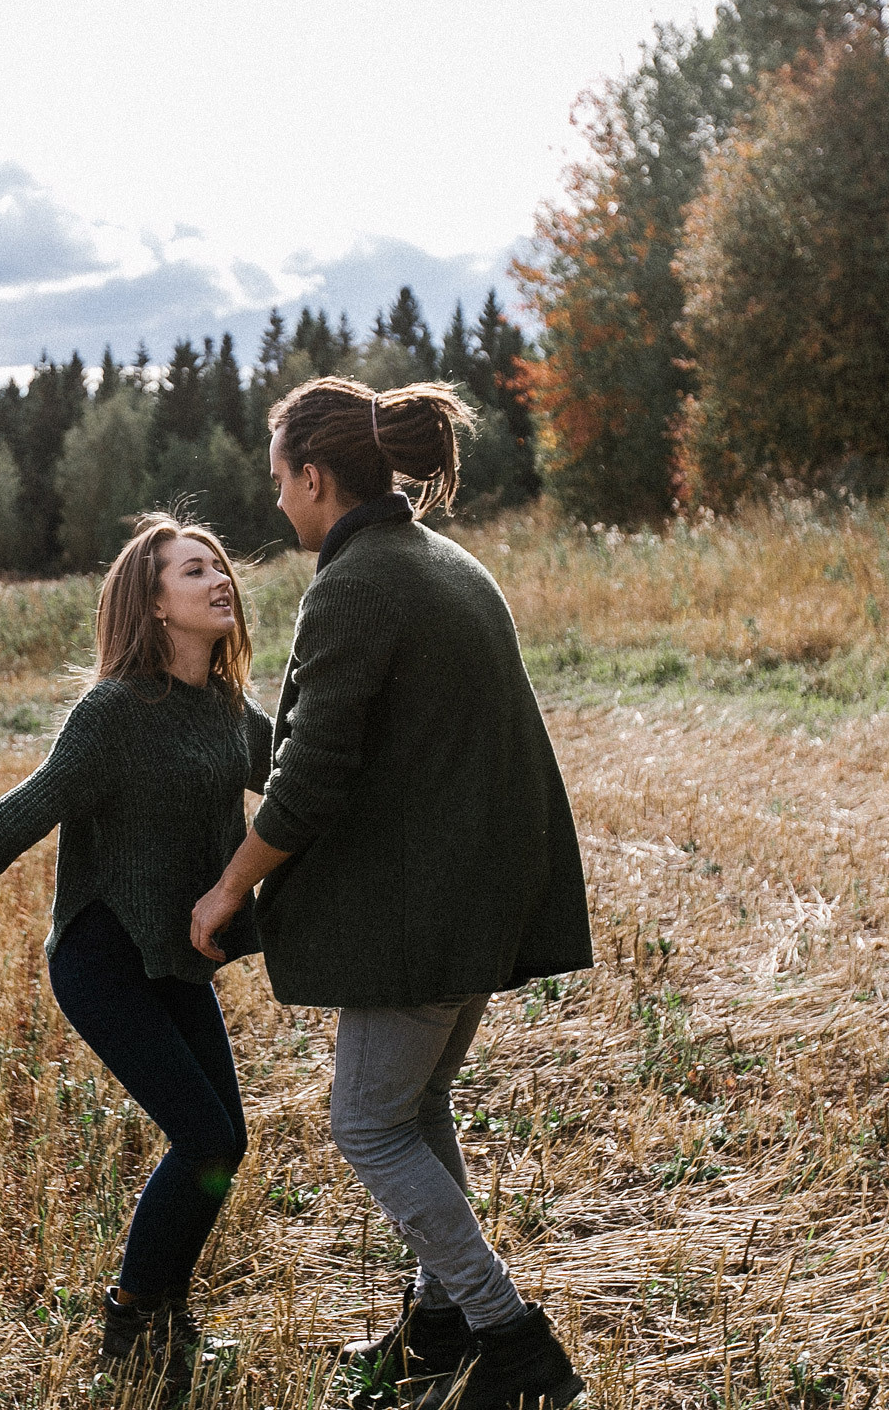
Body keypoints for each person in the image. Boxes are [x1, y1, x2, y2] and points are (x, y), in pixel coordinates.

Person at [189, 377, 594, 1410]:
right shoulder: (447, 562)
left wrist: (229, 887)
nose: (277, 502)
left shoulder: (359, 582)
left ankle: (510, 1337)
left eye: (280, 480)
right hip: (482, 896)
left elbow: (312, 774)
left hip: (425, 911)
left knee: (369, 1125)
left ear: (316, 477)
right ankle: (443, 1318)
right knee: (415, 1106)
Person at [0, 513, 272, 1395]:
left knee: (222, 1141)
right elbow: (25, 810)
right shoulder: (114, 713)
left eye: (219, 567)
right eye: (194, 571)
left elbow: (307, 777)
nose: (218, 581)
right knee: (204, 1133)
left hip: (174, 959)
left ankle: (166, 1313)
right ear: (155, 605)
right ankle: (130, 1317)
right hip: (102, 958)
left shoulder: (231, 712)